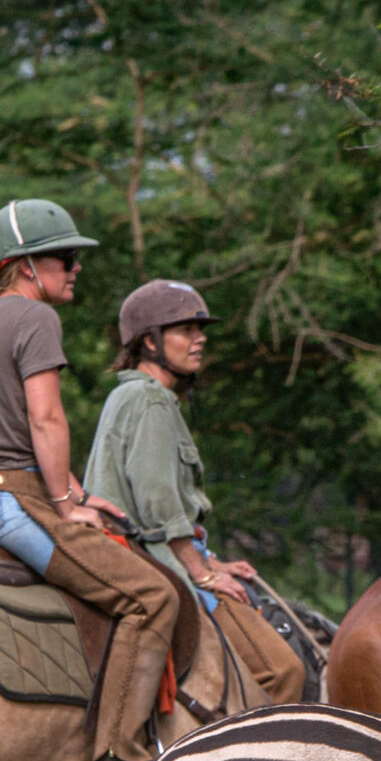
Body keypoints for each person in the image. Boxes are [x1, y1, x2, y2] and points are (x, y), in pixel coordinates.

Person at [0, 199, 179, 761]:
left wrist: (79, 491)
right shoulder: (35, 317)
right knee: (153, 596)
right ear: (25, 266)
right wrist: (67, 505)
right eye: (65, 257)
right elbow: (45, 420)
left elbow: (7, 430)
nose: (75, 268)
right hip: (6, 502)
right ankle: (117, 752)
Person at [84, 280, 306, 705]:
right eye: (185, 330)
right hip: (161, 565)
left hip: (151, 557)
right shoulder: (150, 401)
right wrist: (203, 574)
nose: (199, 339)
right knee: (282, 672)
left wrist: (214, 561)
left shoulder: (132, 395)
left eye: (200, 330)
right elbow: (159, 506)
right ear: (150, 341)